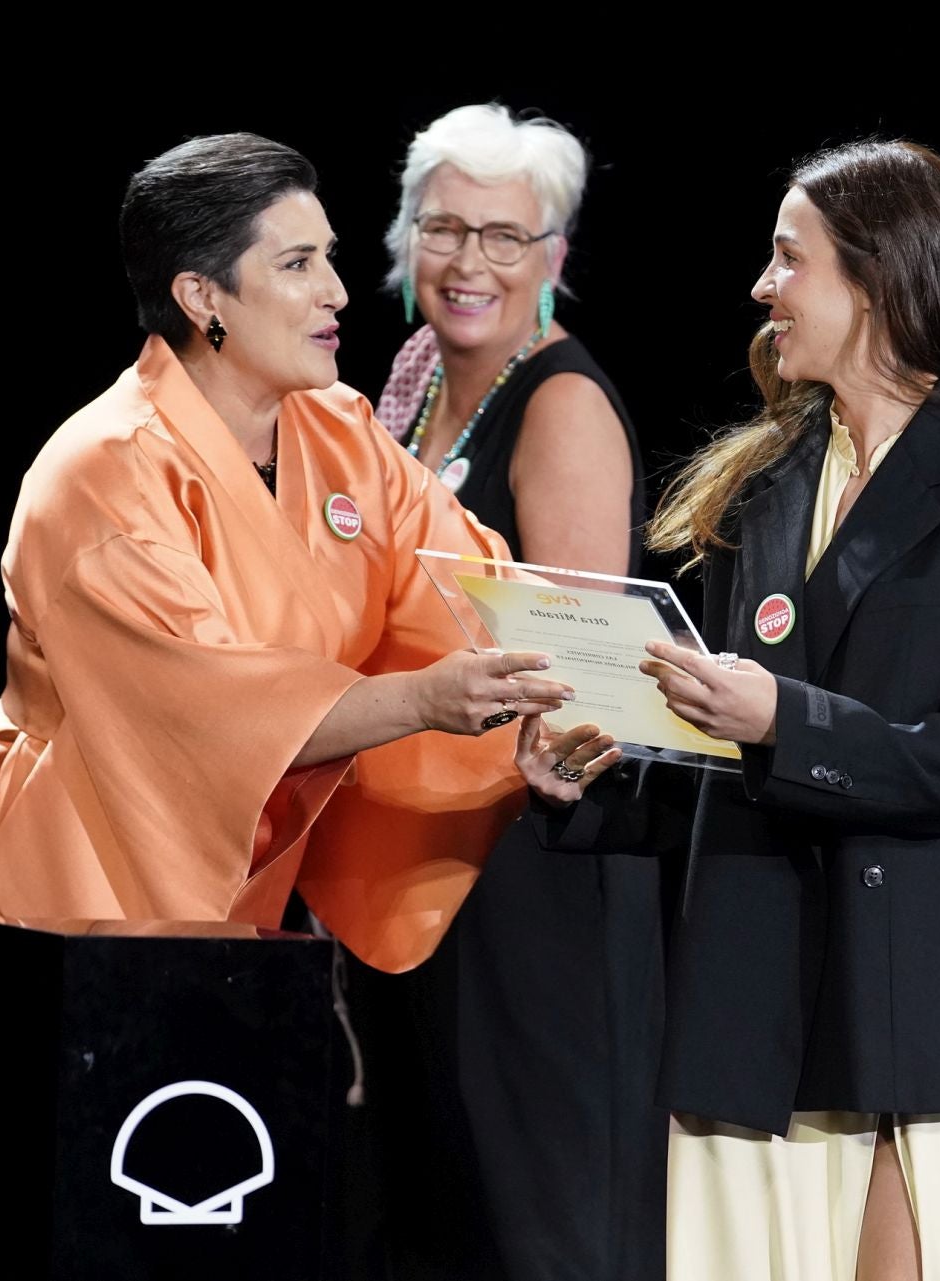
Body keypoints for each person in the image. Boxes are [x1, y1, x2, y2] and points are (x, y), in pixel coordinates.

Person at [0, 131, 617, 1075]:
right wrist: (428, 700)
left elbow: (473, 590)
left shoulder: (340, 431)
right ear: (203, 298)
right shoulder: (102, 473)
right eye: (297, 263)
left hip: (232, 884)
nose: (337, 292)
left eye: (330, 258)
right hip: (64, 882)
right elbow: (204, 707)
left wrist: (605, 689)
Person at [559, 139, 940, 1280]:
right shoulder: (762, 487)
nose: (762, 288)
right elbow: (721, 742)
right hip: (752, 983)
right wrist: (596, 769)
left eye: (788, 260)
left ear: (880, 280)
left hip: (923, 999)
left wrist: (785, 723)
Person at [352, 103, 668, 1281]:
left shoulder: (563, 404)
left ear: (555, 259)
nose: (469, 263)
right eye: (444, 229)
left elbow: (581, 677)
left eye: (504, 236)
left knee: (539, 1218)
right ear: (405, 238)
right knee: (428, 1210)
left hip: (533, 865)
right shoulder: (413, 381)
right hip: (415, 850)